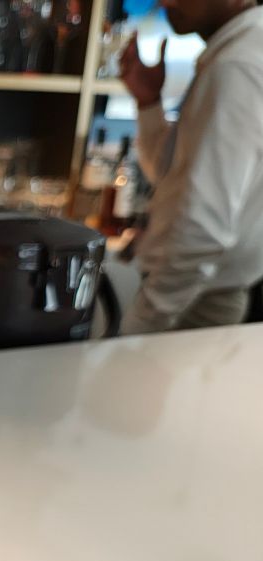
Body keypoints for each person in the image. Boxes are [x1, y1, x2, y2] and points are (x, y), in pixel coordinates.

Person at [117, 0, 263, 334]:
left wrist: (141, 324)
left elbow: (204, 228)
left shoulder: (237, 65)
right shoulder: (238, 52)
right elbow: (175, 178)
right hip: (195, 292)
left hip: (194, 301)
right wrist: (148, 103)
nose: (164, 1)